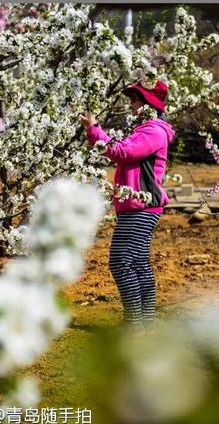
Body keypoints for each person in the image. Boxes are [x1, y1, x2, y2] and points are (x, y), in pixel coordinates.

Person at [79, 80, 175, 334]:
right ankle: (144, 323)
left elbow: (123, 152)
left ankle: (134, 325)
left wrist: (95, 130)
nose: (131, 105)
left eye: (135, 100)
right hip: (137, 205)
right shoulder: (145, 129)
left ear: (148, 106)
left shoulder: (153, 131)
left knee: (120, 262)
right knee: (137, 263)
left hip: (141, 205)